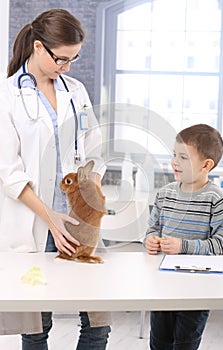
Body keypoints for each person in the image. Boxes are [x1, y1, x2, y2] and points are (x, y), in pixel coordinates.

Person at [0, 8, 111, 349]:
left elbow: (94, 150)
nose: (66, 68)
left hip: (80, 220)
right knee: (36, 326)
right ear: (37, 47)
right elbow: (9, 173)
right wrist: (52, 222)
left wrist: (90, 204)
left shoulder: (75, 90)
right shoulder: (7, 95)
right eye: (61, 59)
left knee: (98, 321)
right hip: (35, 222)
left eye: (72, 60)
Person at [144, 123, 223, 350]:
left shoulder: (216, 198)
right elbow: (152, 229)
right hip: (163, 286)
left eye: (183, 157)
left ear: (206, 165)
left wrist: (184, 246)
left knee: (185, 344)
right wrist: (151, 240)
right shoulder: (165, 194)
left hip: (197, 290)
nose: (174, 161)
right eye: (174, 155)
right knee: (159, 343)